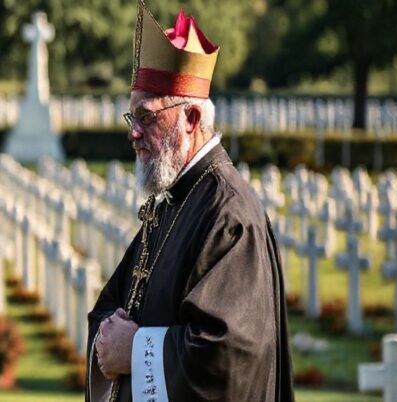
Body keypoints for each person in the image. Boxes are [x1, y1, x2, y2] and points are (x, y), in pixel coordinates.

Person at [85, 2, 295, 401]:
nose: (134, 134)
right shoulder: (173, 200)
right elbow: (113, 306)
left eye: (147, 117)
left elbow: (229, 355)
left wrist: (136, 350)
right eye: (132, 119)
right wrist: (108, 336)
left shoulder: (229, 215)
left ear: (192, 120)